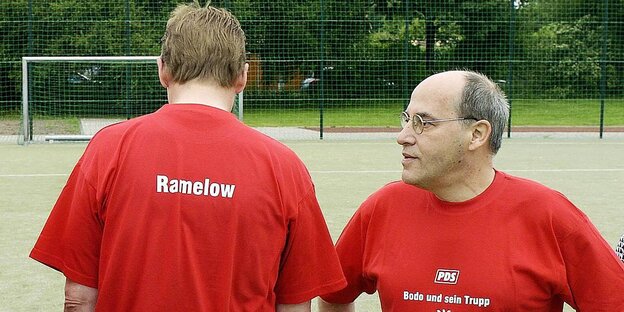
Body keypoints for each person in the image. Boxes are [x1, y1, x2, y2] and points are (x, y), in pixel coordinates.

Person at [30, 2, 346, 311]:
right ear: (242, 77)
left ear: (163, 69)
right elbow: (294, 304)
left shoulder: (108, 148)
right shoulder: (284, 167)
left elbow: (79, 297)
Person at [319, 70, 624, 311]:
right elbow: (334, 294)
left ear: (477, 134)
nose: (403, 137)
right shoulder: (382, 207)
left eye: (423, 123)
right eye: (406, 120)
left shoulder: (550, 215)